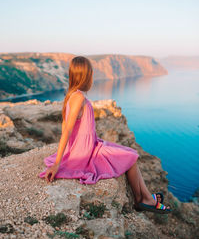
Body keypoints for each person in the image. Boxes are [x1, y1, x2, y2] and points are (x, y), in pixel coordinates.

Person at [39, 56, 171, 214]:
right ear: (86, 75)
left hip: (92, 144)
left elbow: (65, 126)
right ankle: (143, 200)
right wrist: (58, 163)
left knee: (131, 154)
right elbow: (66, 129)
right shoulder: (78, 97)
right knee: (131, 157)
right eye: (91, 72)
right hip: (86, 152)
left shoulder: (72, 95)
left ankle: (145, 197)